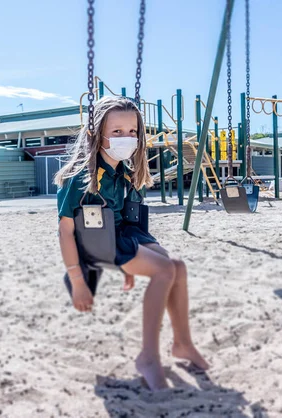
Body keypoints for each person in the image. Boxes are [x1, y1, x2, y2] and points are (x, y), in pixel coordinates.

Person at [54, 96, 208, 390]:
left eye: (133, 132)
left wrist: (130, 267)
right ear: (96, 134)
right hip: (96, 243)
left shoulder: (125, 172)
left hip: (119, 235)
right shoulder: (80, 179)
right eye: (117, 132)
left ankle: (182, 343)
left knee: (177, 267)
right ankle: (148, 357)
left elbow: (130, 220)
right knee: (164, 271)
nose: (127, 138)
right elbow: (65, 232)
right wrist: (78, 281)